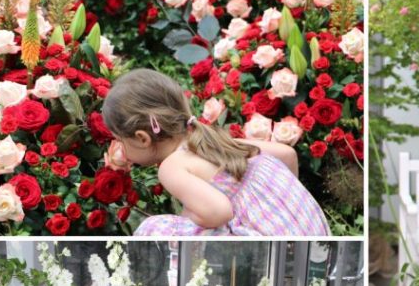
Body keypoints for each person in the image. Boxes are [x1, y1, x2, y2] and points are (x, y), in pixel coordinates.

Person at [101, 69, 329, 236]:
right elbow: (287, 154)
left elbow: (220, 211)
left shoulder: (171, 167)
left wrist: (185, 219)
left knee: (153, 229)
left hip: (271, 242)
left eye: (119, 139)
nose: (118, 146)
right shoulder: (213, 139)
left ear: (142, 138)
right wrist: (278, 204)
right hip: (311, 229)